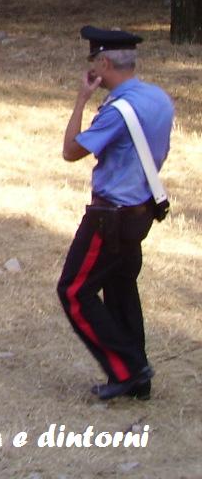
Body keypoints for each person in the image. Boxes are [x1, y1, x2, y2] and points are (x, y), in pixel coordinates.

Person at [57, 26, 173, 401]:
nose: (90, 66)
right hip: (139, 212)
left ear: (104, 62)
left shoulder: (117, 111)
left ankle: (128, 368)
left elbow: (71, 150)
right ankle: (138, 380)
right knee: (121, 289)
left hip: (109, 216)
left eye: (93, 60)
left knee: (74, 291)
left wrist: (80, 99)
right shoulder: (158, 98)